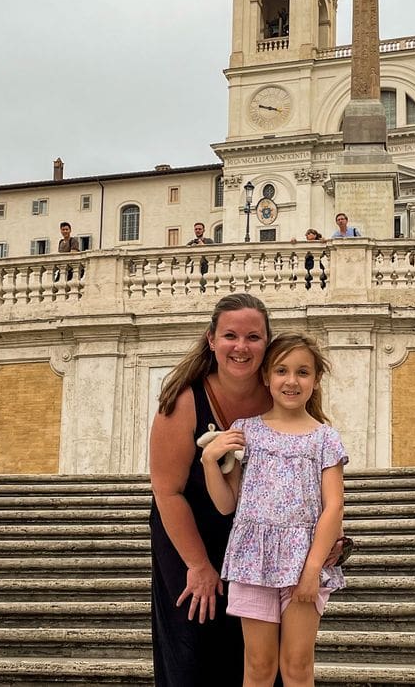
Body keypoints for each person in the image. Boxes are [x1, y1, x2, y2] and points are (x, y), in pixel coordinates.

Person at [201, 333, 347, 687]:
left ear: (316, 380)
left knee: (298, 666)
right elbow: (227, 504)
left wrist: (312, 569)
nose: (291, 381)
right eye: (281, 371)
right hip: (253, 559)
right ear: (266, 376)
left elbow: (334, 506)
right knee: (258, 667)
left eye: (302, 372)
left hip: (304, 561)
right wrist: (208, 460)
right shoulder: (245, 431)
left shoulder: (324, 438)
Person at [149, 294, 276, 686]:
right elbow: (167, 492)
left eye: (253, 337)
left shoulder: (283, 391)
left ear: (267, 341)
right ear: (211, 340)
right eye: (230, 336)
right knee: (195, 647)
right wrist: (199, 566)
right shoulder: (183, 400)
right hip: (191, 533)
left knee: (258, 654)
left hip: (257, 537)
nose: (241, 347)